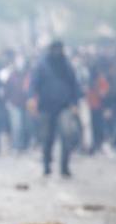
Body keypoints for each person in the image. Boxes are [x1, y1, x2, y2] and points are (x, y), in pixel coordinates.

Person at [31, 40, 82, 177]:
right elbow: (34, 84)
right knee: (47, 138)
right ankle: (47, 165)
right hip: (46, 107)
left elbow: (74, 85)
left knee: (67, 135)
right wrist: (32, 99)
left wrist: (75, 103)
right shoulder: (42, 65)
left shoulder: (66, 65)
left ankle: (64, 167)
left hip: (64, 106)